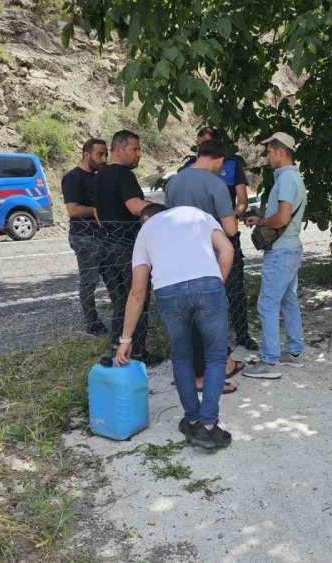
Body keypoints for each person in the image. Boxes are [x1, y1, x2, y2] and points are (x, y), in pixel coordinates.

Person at [116, 203, 234, 449]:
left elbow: (138, 292)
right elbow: (227, 249)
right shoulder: (195, 214)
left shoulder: (146, 231)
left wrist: (125, 340)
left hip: (169, 292)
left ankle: (191, 419)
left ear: (148, 217)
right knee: (215, 356)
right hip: (208, 284)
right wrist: (216, 284)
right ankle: (209, 426)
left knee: (181, 357)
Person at [167, 138, 244, 393]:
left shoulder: (174, 181)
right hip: (208, 260)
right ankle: (207, 377)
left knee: (187, 319)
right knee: (211, 318)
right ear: (220, 160)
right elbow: (230, 228)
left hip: (178, 259)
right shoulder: (216, 184)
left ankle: (207, 368)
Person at [180, 127, 258, 351]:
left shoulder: (231, 166)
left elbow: (242, 200)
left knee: (235, 288)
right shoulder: (186, 169)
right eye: (199, 143)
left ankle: (242, 333)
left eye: (206, 143)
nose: (202, 147)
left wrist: (229, 218)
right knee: (204, 291)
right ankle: (212, 340)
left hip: (226, 235)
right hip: (198, 241)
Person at [92, 129, 163, 367]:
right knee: (137, 299)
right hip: (127, 248)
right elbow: (134, 207)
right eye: (135, 149)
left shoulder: (99, 174)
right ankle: (138, 351)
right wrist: (162, 211)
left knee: (119, 301)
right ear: (119, 150)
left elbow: (97, 212)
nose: (139, 154)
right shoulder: (123, 175)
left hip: (105, 247)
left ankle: (117, 347)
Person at [242, 132, 308, 379]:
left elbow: (281, 218)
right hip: (289, 248)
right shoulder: (291, 177)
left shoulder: (287, 178)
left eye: (269, 151)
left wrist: (260, 221)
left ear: (281, 152)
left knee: (267, 303)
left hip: (281, 251)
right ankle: (293, 353)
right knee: (288, 301)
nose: (267, 156)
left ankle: (269, 362)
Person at [62, 138, 109, 336]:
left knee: (113, 278)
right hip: (84, 236)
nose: (104, 159)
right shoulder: (73, 177)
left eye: (106, 154)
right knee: (89, 281)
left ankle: (122, 317)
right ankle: (92, 322)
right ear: (86, 154)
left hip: (103, 236)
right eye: (100, 154)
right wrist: (95, 211)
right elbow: (73, 209)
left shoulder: (99, 177)